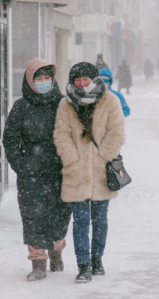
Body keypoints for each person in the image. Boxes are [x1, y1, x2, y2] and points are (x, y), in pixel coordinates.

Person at [54, 62, 126, 283]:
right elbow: (61, 135)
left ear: (94, 80)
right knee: (81, 221)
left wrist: (103, 157)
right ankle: (83, 265)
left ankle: (97, 259)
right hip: (76, 172)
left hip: (102, 171)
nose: (81, 84)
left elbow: (117, 132)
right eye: (77, 80)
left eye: (86, 79)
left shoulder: (110, 100)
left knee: (100, 219)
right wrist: (72, 160)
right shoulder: (66, 104)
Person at [3, 58, 72, 281]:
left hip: (61, 171)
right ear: (29, 81)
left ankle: (56, 249)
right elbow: (11, 139)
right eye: (38, 79)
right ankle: (38, 262)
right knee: (33, 216)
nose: (43, 82)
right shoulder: (21, 107)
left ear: (53, 80)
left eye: (47, 78)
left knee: (60, 214)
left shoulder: (65, 104)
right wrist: (21, 166)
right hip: (31, 172)